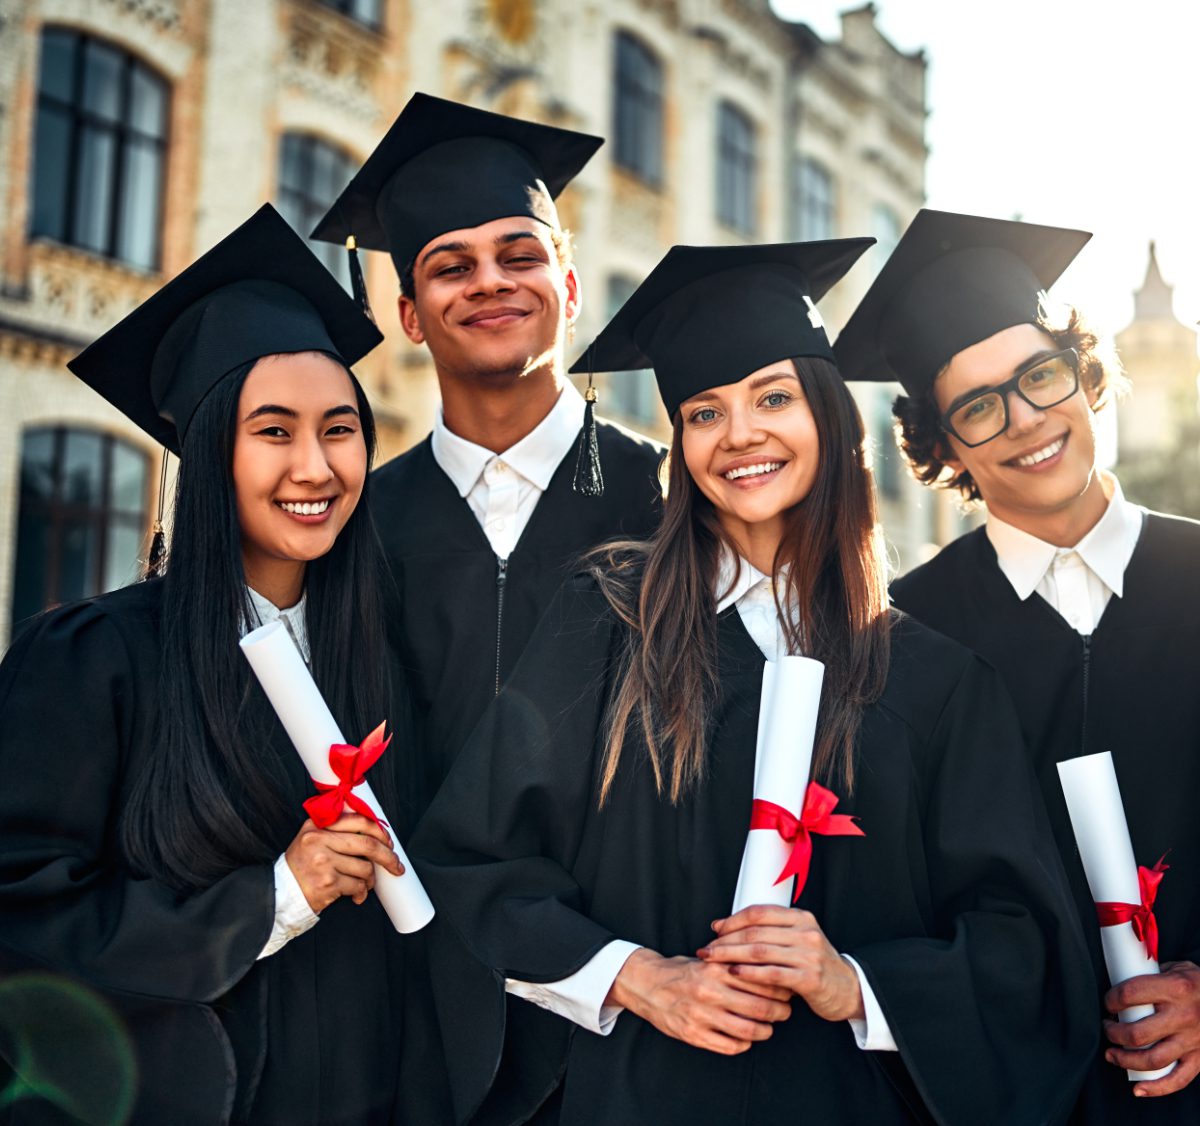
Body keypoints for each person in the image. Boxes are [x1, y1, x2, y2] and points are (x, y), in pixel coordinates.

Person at [411, 240, 1097, 1126]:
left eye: (774, 398)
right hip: (636, 1101)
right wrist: (639, 977)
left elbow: (1023, 944)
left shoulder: (934, 679)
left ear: (829, 417)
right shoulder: (610, 623)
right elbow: (473, 862)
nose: (739, 434)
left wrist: (854, 984)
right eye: (705, 412)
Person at [0, 205, 409, 1125]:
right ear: (209, 449)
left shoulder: (381, 658)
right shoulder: (95, 661)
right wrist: (275, 898)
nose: (316, 467)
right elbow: (22, 912)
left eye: (340, 428)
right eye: (274, 431)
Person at [835, 208, 1200, 1122]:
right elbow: (894, 903)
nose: (1027, 420)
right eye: (977, 407)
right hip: (1006, 1095)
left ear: (1085, 372)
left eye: (1040, 375)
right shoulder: (901, 636)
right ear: (941, 444)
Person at [312, 92, 664, 799]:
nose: (491, 281)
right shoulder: (358, 523)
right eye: (451, 267)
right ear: (410, 315)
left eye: (520, 256)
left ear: (569, 290)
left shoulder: (667, 497)